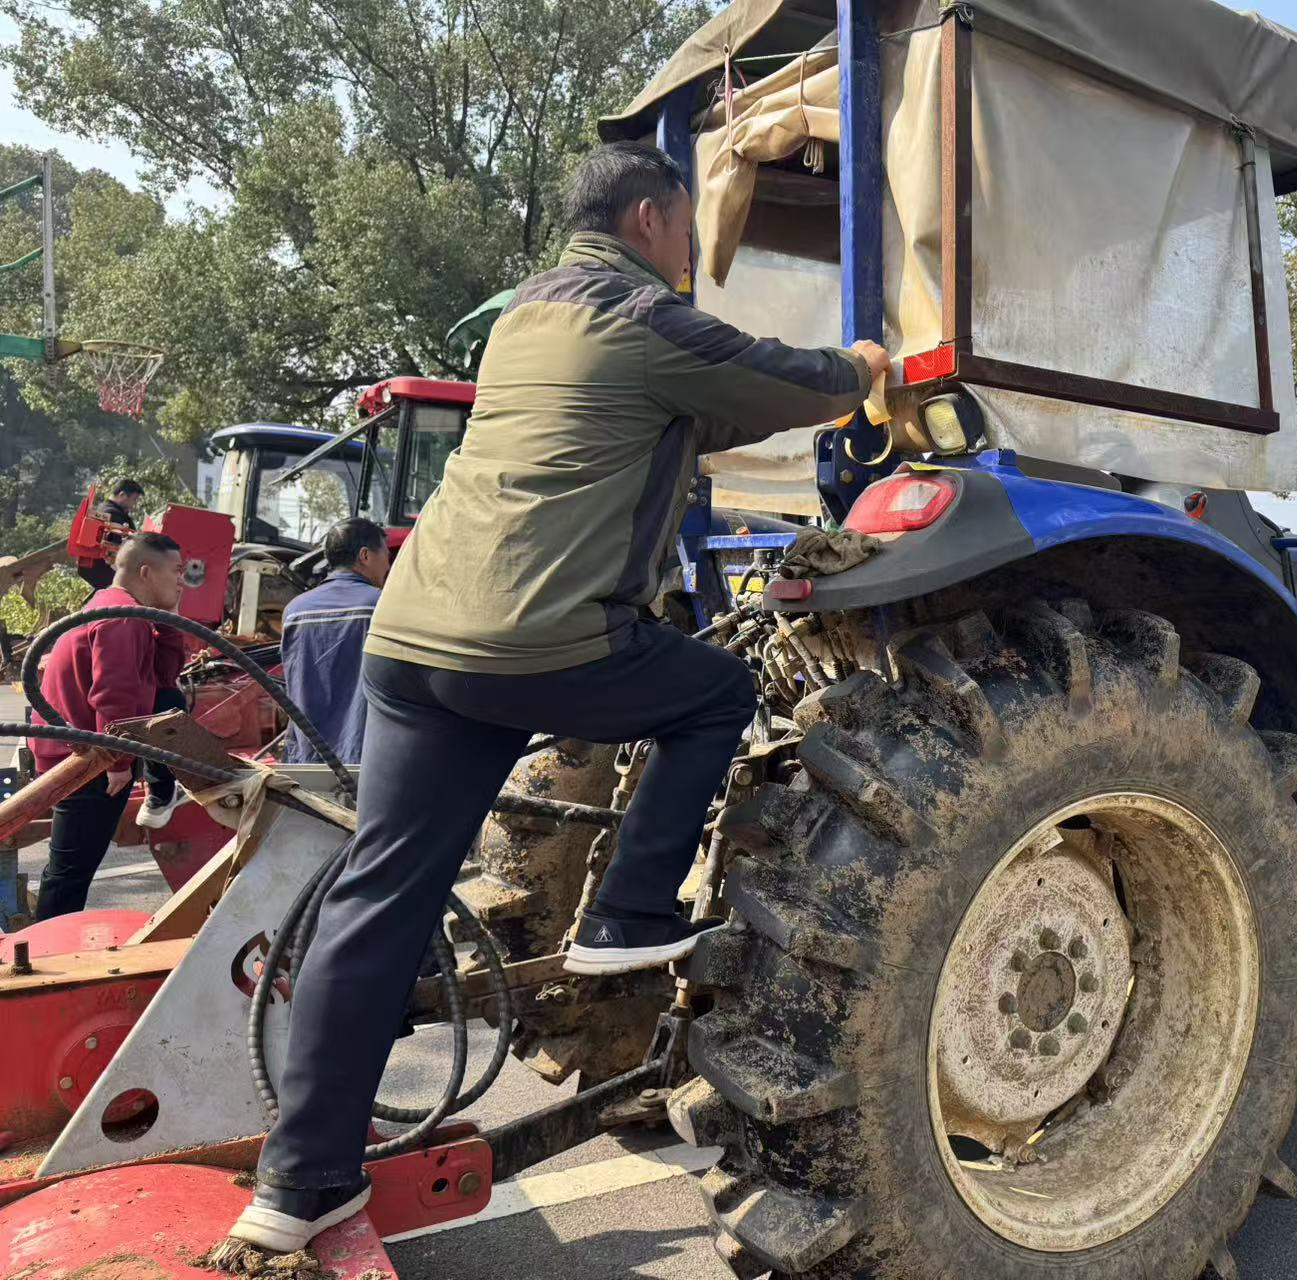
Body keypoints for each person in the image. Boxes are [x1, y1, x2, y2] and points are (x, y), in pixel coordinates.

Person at [224, 140, 887, 1254]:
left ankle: (298, 1184)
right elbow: (787, 375)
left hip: (414, 641)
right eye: (686, 229)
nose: (690, 254)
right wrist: (862, 365)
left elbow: (687, 415)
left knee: (377, 901)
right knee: (715, 692)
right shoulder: (645, 319)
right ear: (648, 217)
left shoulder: (526, 318)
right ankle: (629, 916)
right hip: (535, 639)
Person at [28, 532, 187, 918]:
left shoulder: (116, 607)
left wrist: (166, 621)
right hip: (86, 761)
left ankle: (160, 793)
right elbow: (113, 696)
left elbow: (163, 680)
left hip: (87, 751)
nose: (183, 580)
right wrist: (116, 764)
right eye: (177, 572)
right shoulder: (121, 618)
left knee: (69, 870)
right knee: (69, 875)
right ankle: (48, 952)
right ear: (146, 572)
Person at [280, 519, 390, 765]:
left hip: (305, 760)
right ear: (365, 556)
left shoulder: (294, 611)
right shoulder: (384, 607)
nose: (388, 564)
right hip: (365, 761)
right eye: (385, 555)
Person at [78, 479, 146, 591]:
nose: (135, 504)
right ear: (122, 495)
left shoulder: (104, 509)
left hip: (95, 567)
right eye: (134, 499)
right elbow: (122, 545)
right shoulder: (112, 514)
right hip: (101, 568)